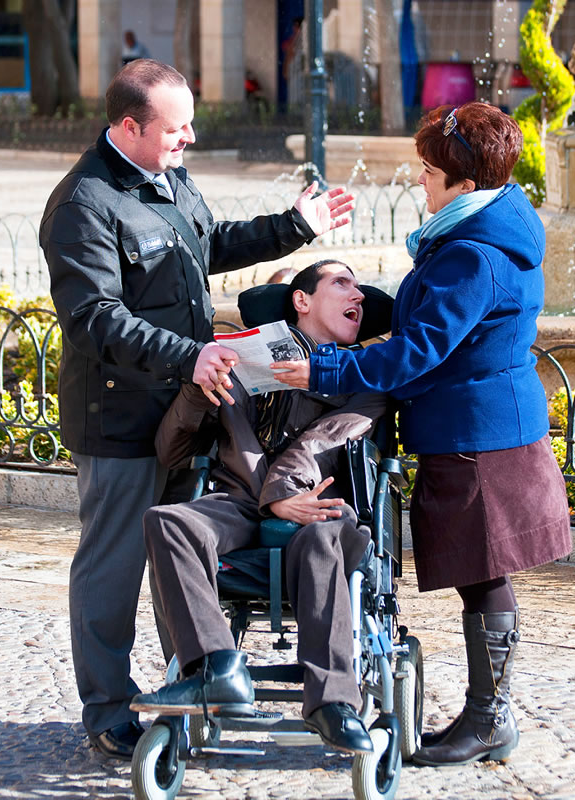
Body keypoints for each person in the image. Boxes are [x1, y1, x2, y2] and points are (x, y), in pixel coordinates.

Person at [39, 59, 354, 761]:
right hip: (120, 421)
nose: (189, 140)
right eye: (176, 130)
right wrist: (190, 357)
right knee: (112, 568)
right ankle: (107, 710)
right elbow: (94, 318)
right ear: (129, 126)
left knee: (179, 553)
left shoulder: (169, 178)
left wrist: (292, 227)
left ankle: (196, 680)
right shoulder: (82, 205)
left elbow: (208, 245)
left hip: (186, 415)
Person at [272, 102, 573, 766]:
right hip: (477, 425)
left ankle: (491, 718)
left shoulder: (472, 254)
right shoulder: (483, 228)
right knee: (481, 572)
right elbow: (425, 312)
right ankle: (490, 716)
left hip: (478, 434)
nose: (421, 182)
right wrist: (334, 295)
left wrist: (322, 365)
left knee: (485, 575)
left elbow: (418, 351)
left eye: (430, 172)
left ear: (464, 184)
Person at [130, 260, 390, 754]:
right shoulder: (247, 367)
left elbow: (326, 437)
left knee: (320, 535)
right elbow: (171, 452)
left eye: (360, 289)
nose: (357, 295)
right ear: (301, 300)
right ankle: (214, 668)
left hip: (322, 504)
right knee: (168, 521)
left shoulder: (369, 379)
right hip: (239, 503)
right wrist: (198, 390)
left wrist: (285, 493)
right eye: (342, 283)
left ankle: (333, 702)